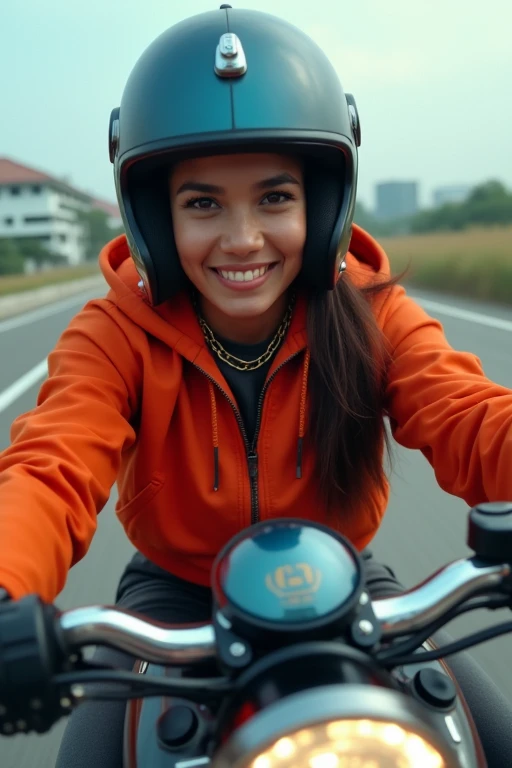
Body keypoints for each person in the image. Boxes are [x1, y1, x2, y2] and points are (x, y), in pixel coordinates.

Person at [0, 6, 511, 766]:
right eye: (202, 203)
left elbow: (469, 413)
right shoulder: (113, 333)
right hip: (175, 598)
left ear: (324, 204)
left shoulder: (375, 314)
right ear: (153, 218)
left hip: (345, 583)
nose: (242, 239)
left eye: (275, 198)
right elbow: (50, 468)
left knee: (494, 740)